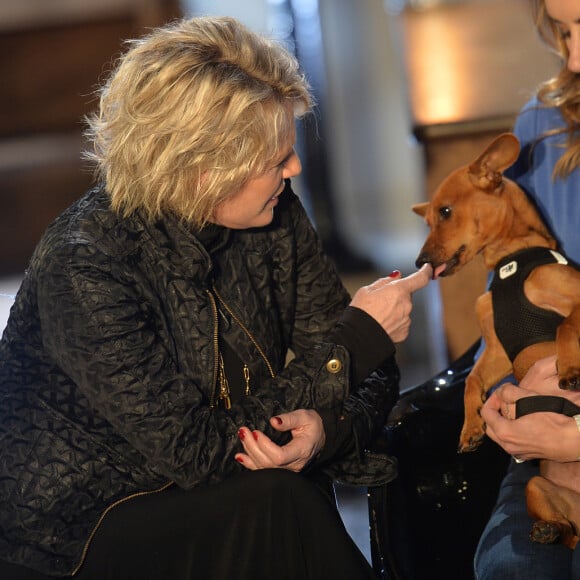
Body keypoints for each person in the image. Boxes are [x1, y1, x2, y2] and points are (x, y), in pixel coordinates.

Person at [0, 15, 432, 580]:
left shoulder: (276, 214)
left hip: (230, 489)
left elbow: (367, 372)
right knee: (281, 500)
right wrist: (356, 338)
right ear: (202, 170)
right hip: (79, 529)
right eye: (275, 160)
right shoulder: (84, 262)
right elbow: (196, 451)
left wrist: (327, 429)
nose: (294, 168)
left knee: (285, 492)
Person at [474, 0, 580, 578]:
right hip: (551, 433)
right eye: (562, 31)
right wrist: (508, 390)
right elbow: (517, 293)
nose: (574, 56)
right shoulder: (543, 124)